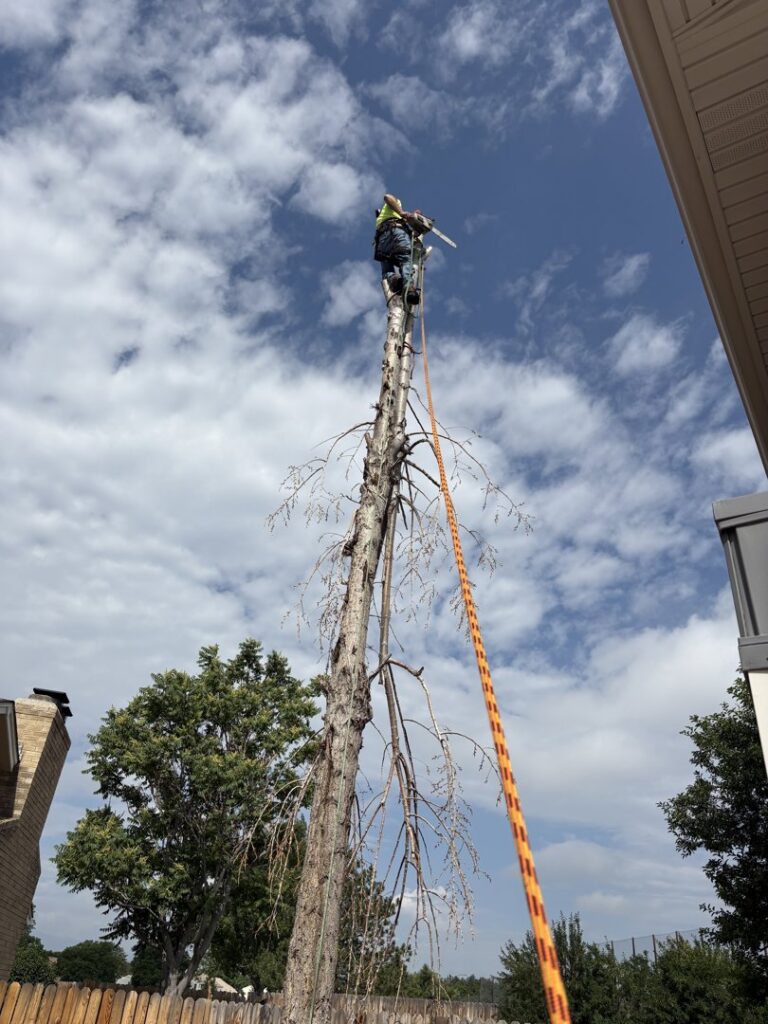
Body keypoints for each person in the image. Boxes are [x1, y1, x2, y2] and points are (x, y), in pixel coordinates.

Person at [373, 193, 422, 304]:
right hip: (395, 232)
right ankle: (409, 289)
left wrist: (413, 224)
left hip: (382, 240)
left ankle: (396, 281)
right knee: (405, 259)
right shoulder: (396, 208)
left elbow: (413, 233)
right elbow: (387, 197)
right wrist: (402, 212)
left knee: (387, 271)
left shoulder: (383, 218)